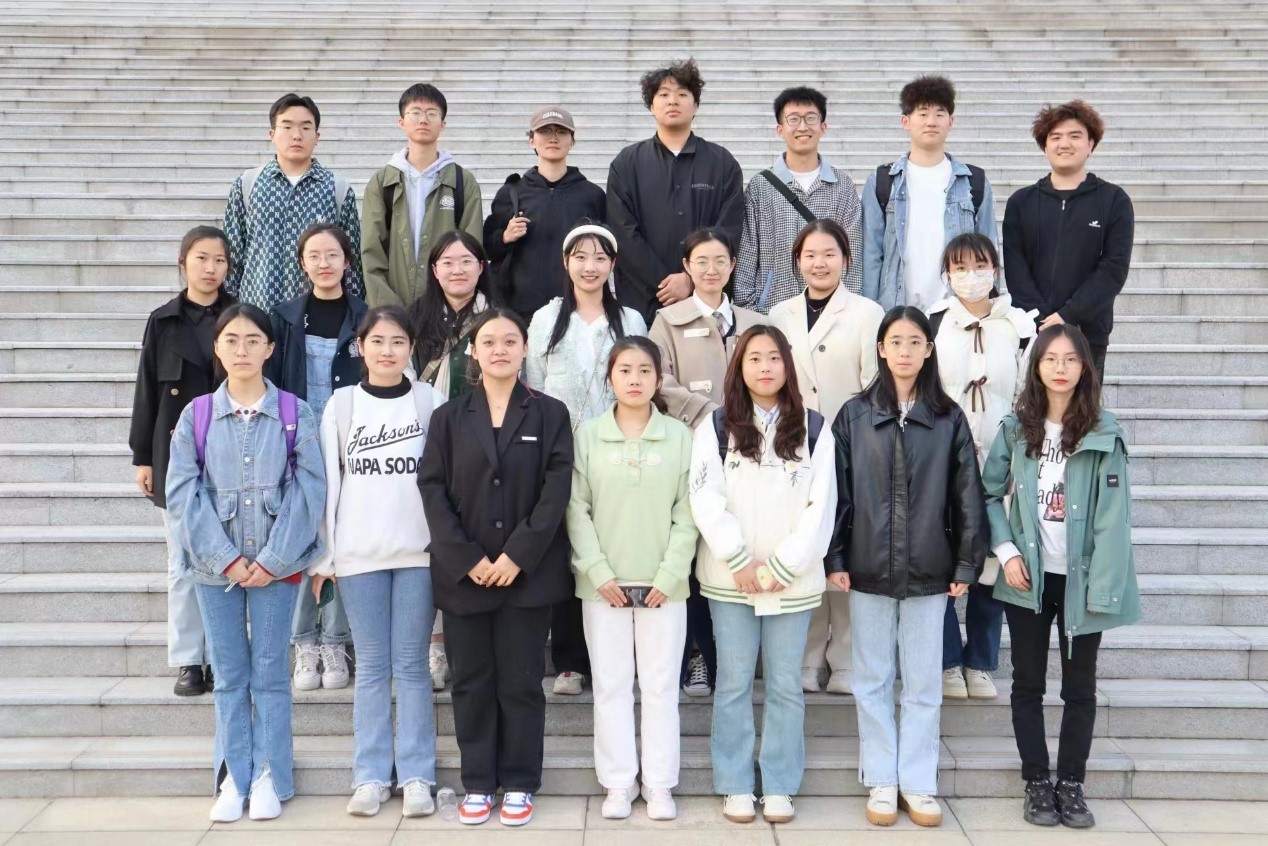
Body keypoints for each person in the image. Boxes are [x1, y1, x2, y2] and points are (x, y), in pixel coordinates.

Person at [826, 306, 987, 828]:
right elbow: (837, 493)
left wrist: (966, 562)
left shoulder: (948, 417)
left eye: (914, 341)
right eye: (895, 341)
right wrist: (836, 556)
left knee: (922, 683)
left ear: (929, 350)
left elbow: (967, 495)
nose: (904, 351)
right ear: (880, 349)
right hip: (867, 567)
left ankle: (918, 783)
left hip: (929, 569)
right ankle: (881, 779)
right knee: (872, 679)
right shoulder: (854, 415)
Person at [165, 303, 326, 824]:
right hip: (215, 570)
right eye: (231, 340)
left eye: (253, 340)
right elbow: (182, 494)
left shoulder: (295, 413)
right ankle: (234, 775)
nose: (242, 349)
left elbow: (310, 490)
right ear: (217, 348)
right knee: (230, 674)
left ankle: (270, 776)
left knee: (270, 673)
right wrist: (227, 558)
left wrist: (274, 558)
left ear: (269, 348)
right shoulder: (197, 415)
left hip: (279, 568)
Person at [418, 308, 574, 828]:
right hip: (465, 576)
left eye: (510, 341)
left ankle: (521, 781)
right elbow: (432, 490)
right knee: (471, 681)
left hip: (527, 575)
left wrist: (516, 556)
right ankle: (480, 783)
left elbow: (556, 491)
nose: (500, 349)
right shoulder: (448, 417)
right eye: (489, 341)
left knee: (522, 682)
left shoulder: (550, 414)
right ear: (473, 351)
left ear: (525, 349)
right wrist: (469, 559)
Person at [982, 324, 1140, 829]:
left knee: (1079, 689)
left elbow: (1114, 517)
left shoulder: (1103, 431)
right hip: (1027, 578)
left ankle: (1071, 784)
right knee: (1027, 684)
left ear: (1084, 368)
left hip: (1082, 580)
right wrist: (1006, 552)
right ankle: (1036, 783)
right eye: (1050, 358)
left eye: (1071, 359)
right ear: (1036, 366)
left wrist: (1102, 587)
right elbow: (988, 493)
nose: (1060, 368)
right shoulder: (1016, 428)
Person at [689, 325, 836, 827]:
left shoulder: (814, 427)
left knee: (785, 685)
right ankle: (734, 782)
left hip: (791, 580)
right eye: (754, 358)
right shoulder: (715, 426)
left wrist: (780, 565)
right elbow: (704, 499)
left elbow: (822, 506)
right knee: (732, 682)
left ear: (787, 367)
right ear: (740, 366)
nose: (765, 367)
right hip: (730, 580)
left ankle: (778, 784)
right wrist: (739, 560)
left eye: (774, 357)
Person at [308, 305, 448, 818]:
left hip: (418, 554)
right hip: (358, 555)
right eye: (377, 341)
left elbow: (446, 479)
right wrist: (326, 557)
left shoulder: (429, 401)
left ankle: (416, 775)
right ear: (360, 347)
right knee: (370, 667)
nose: (387, 351)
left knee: (411, 665)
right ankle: (369, 775)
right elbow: (329, 484)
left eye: (397, 342)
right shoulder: (342, 405)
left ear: (410, 348)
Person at [567, 337, 697, 822]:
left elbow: (689, 511)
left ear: (659, 378)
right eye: (625, 370)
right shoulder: (588, 436)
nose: (635, 379)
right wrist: (597, 571)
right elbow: (575, 508)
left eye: (645, 370)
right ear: (610, 377)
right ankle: (618, 782)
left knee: (661, 687)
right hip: (604, 587)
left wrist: (671, 573)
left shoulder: (679, 437)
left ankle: (659, 784)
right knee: (611, 685)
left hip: (665, 587)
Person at [526, 222, 645, 695]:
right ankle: (571, 662)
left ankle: (619, 658)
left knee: (617, 549)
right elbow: (534, 386)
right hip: (561, 456)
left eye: (599, 257)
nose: (589, 266)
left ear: (613, 265)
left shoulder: (630, 320)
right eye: (580, 257)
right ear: (566, 263)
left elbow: (643, 385)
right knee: (567, 554)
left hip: (619, 452)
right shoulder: (545, 319)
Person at [769, 219, 883, 696]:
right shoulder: (779, 314)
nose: (820, 263)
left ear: (846, 260)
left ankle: (846, 659)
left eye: (829, 254)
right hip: (794, 448)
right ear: (797, 261)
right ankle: (807, 654)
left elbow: (875, 385)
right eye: (810, 255)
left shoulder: (867, 313)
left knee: (847, 549)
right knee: (805, 547)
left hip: (851, 448)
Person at [648, 227, 763, 697]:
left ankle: (736, 660)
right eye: (701, 261)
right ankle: (697, 655)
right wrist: (711, 416)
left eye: (720, 261)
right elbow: (659, 378)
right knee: (695, 552)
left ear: (733, 265)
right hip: (692, 448)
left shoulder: (754, 321)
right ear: (687, 267)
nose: (711, 270)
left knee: (739, 544)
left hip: (751, 453)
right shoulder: (667, 320)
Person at [929, 233, 1037, 702]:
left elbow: (1029, 393)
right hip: (944, 459)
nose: (970, 276)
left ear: (995, 270)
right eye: (959, 268)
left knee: (995, 556)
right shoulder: (933, 322)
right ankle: (947, 661)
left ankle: (981, 662)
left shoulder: (1019, 326)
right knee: (941, 556)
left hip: (1003, 458)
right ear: (946, 274)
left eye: (979, 266)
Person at [130, 225, 236, 697]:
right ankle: (190, 659)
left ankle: (222, 655)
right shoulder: (163, 321)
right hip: (175, 454)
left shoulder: (238, 317)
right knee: (182, 561)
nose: (211, 268)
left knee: (227, 559)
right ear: (183, 263)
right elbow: (147, 389)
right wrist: (142, 457)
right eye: (202, 258)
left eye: (219, 260)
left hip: (231, 450)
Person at [265, 222, 368, 692]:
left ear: (347, 262)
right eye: (314, 255)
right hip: (299, 440)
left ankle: (336, 640)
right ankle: (303, 641)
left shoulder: (365, 316)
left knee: (344, 537)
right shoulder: (284, 318)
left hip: (352, 438)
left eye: (333, 255)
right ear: (302, 263)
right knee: (302, 537)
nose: (324, 263)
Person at [404, 229, 497, 690]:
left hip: (485, 441)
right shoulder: (415, 318)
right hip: (426, 438)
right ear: (434, 270)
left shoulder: (496, 318)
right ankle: (434, 644)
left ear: (482, 267)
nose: (457, 270)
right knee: (434, 534)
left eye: (466, 261)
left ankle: (468, 639)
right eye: (447, 262)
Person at [1003, 101, 1135, 382]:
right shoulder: (1021, 203)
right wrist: (1041, 319)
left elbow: (1114, 268)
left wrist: (1068, 314)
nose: (1065, 144)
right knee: (1033, 407)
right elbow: (1015, 267)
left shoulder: (1114, 200)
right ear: (1045, 146)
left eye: (1075, 136)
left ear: (1091, 144)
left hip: (1088, 333)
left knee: (1083, 409)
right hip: (1034, 331)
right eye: (1055, 137)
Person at [607, 58, 744, 323]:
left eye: (682, 94)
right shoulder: (626, 163)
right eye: (664, 95)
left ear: (696, 106)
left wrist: (691, 278)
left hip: (706, 297)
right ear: (651, 106)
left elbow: (730, 228)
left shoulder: (722, 163)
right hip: (642, 300)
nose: (673, 101)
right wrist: (665, 282)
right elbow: (622, 231)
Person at [861, 76, 997, 312]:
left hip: (958, 309)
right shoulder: (883, 182)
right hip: (897, 309)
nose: (931, 122)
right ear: (906, 121)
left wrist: (988, 310)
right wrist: (870, 312)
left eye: (939, 114)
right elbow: (871, 253)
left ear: (951, 121)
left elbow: (990, 250)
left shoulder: (973, 182)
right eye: (923, 114)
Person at [223, 93, 363, 311]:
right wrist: (230, 312)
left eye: (306, 128)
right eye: (287, 127)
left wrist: (353, 312)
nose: (297, 135)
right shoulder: (247, 185)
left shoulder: (337, 188)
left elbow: (351, 261)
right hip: (258, 311)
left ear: (317, 136)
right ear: (272, 134)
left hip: (316, 315)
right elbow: (233, 254)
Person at [734, 86, 864, 313]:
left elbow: (852, 252)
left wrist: (847, 309)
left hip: (831, 312)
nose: (803, 127)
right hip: (772, 311)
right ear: (780, 129)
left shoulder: (842, 186)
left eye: (810, 118)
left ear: (823, 127)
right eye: (793, 119)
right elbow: (747, 251)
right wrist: (750, 309)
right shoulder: (761, 186)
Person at [362, 83, 484, 310]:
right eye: (415, 113)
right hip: (392, 313)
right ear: (401, 121)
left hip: (447, 310)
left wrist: (451, 305)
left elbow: (472, 250)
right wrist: (390, 310)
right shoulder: (382, 182)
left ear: (443, 123)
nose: (423, 120)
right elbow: (371, 254)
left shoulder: (462, 182)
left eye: (432, 113)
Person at [483, 105, 607, 320]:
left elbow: (607, 252)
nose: (553, 138)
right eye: (545, 131)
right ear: (532, 140)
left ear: (572, 141)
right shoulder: (511, 193)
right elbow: (487, 249)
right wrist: (505, 237)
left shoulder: (592, 195)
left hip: (576, 310)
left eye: (561, 132)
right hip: (517, 311)